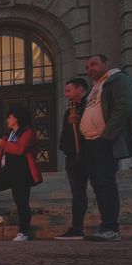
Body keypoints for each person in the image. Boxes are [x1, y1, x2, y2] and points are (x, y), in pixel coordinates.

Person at [80, 54, 132, 242]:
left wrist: (107, 136)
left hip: (104, 140)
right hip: (90, 141)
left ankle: (111, 228)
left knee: (105, 183)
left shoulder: (118, 79)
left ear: (106, 64)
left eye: (94, 64)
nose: (90, 68)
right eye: (87, 67)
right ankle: (105, 226)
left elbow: (123, 108)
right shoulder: (95, 87)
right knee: (98, 184)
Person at [0, 106, 43, 242]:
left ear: (17, 118)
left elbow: (20, 149)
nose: (7, 119)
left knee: (22, 204)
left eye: (9, 117)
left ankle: (23, 233)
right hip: (6, 172)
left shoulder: (28, 133)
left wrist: (3, 143)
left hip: (22, 174)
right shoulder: (9, 135)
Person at [56, 77, 91, 239]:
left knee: (101, 189)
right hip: (72, 156)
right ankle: (77, 228)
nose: (66, 95)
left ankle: (109, 226)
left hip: (90, 155)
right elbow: (65, 134)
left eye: (69, 90)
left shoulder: (91, 105)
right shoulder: (69, 111)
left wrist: (80, 121)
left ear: (79, 89)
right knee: (77, 193)